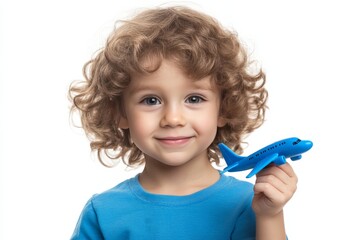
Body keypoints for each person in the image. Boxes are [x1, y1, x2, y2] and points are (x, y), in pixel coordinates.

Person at [69, 6, 297, 240]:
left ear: (224, 108)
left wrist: (270, 216)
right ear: (119, 113)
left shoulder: (250, 204)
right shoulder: (103, 213)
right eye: (151, 100)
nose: (173, 119)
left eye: (194, 99)